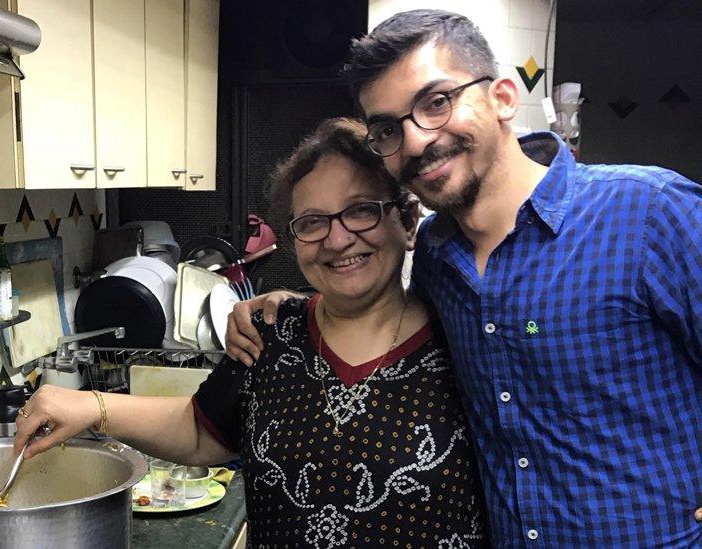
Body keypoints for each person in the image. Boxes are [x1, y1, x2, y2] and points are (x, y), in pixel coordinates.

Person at [227, 8, 702, 547]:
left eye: (436, 102)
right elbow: (372, 310)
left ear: (502, 97)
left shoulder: (648, 213)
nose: (415, 140)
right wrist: (291, 305)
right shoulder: (436, 257)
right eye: (388, 127)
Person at [16, 118, 488, 547]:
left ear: (407, 223)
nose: (338, 238)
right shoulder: (270, 333)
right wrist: (94, 406)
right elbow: (204, 431)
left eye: (361, 211)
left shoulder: (467, 343)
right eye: (312, 222)